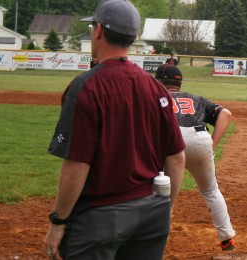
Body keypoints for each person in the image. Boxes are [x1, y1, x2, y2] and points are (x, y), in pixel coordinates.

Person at [44, 1, 186, 260]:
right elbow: (176, 158)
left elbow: (77, 164)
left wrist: (58, 221)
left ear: (98, 31)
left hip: (99, 217)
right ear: (133, 37)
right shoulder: (156, 88)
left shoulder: (85, 87)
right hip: (151, 213)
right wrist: (165, 211)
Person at [155, 64, 237, 251]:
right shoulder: (195, 98)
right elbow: (225, 114)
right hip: (200, 139)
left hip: (170, 141)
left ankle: (158, 242)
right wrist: (212, 145)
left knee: (162, 191)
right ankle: (227, 239)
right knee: (210, 190)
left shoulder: (155, 97)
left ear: (158, 82)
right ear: (179, 84)